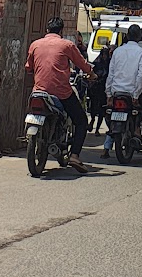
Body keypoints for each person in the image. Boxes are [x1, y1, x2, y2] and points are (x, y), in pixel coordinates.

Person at [25, 15, 93, 173]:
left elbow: (28, 66)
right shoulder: (67, 45)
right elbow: (82, 64)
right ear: (61, 31)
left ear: (47, 30)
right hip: (61, 92)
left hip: (39, 91)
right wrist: (92, 74)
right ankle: (75, 155)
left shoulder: (35, 44)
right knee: (81, 120)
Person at [104, 26, 142, 156]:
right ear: (139, 37)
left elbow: (111, 74)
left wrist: (109, 94)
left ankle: (108, 144)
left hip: (116, 92)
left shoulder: (118, 51)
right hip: (132, 93)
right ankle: (137, 131)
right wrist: (136, 95)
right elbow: (141, 76)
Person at [87, 43, 111, 134]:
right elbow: (91, 70)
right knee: (93, 107)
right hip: (96, 88)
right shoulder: (97, 62)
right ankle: (92, 121)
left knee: (102, 110)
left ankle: (97, 129)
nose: (104, 56)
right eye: (103, 54)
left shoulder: (109, 63)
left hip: (104, 89)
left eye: (106, 54)